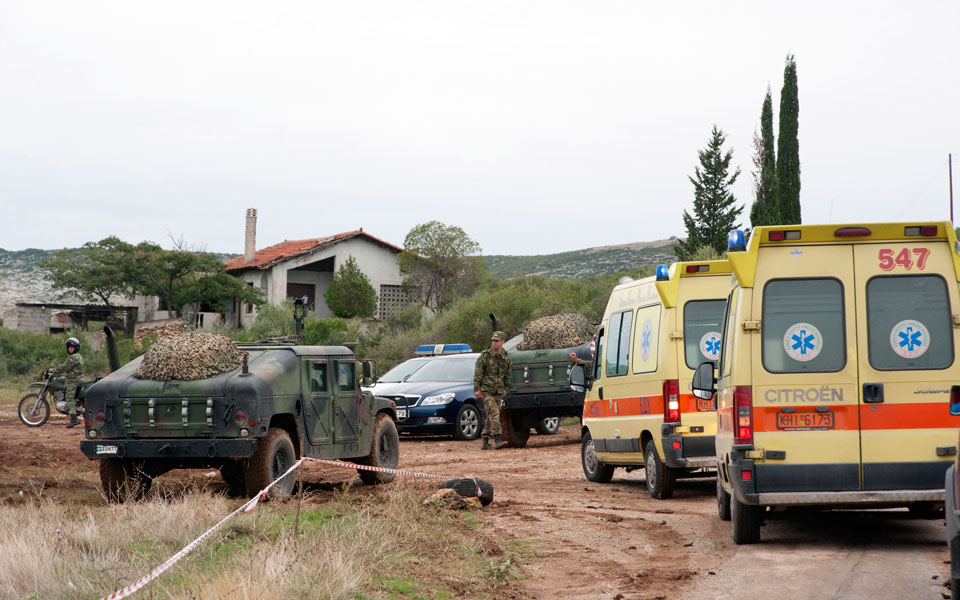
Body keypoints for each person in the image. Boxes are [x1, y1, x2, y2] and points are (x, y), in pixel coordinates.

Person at [474, 331, 512, 450]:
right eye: (493, 341)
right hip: (487, 389)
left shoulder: (505, 356)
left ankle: (485, 441)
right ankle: (497, 439)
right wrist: (477, 388)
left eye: (497, 341)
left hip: (498, 390)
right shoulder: (485, 355)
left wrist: (506, 387)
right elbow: (478, 372)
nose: (494, 343)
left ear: (502, 342)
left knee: (492, 415)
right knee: (494, 413)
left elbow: (507, 373)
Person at [51, 337, 84, 428]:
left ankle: (74, 419)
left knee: (69, 398)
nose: (70, 349)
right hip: (76, 379)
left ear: (76, 348)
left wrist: (53, 370)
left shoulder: (74, 357)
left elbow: (65, 367)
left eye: (72, 347)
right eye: (69, 347)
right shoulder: (77, 356)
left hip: (74, 380)